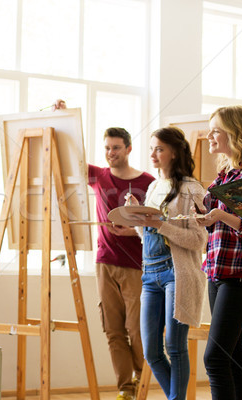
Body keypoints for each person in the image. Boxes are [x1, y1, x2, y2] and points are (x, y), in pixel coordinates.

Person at [195, 105, 242, 400]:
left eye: (215, 129)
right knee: (232, 358)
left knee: (214, 358)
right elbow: (216, 219)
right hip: (217, 272)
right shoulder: (224, 174)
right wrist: (204, 215)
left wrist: (219, 216)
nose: (209, 135)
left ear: (235, 133)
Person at [126, 127, 207, 400]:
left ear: (174, 152)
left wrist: (160, 224)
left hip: (177, 274)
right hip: (150, 273)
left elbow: (199, 241)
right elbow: (147, 235)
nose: (152, 154)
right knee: (150, 351)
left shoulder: (192, 189)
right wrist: (139, 216)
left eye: (159, 149)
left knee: (175, 346)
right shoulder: (152, 187)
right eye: (151, 148)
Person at [87, 127, 155, 400]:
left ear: (128, 149)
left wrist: (132, 230)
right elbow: (70, 154)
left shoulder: (149, 182)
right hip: (105, 262)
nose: (110, 153)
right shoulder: (99, 177)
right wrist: (60, 112)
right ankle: (124, 389)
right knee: (113, 330)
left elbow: (158, 223)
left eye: (115, 147)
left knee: (137, 329)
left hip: (137, 265)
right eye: (106, 148)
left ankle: (142, 380)